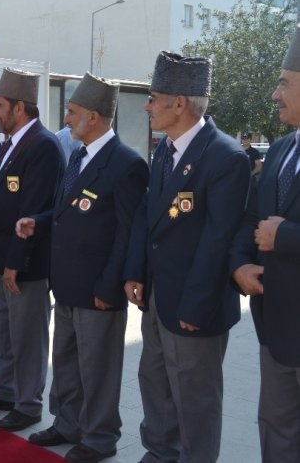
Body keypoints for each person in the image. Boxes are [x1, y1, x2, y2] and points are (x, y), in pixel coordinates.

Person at [123, 51, 251, 463]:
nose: (147, 105)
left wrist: (196, 307)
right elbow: (149, 214)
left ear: (179, 103)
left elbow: (218, 242)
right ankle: (159, 454)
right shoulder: (166, 149)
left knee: (195, 399)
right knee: (155, 384)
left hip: (196, 304)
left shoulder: (225, 156)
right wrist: (136, 271)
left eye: (153, 97)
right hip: (159, 297)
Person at [19, 73, 148, 462]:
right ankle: (68, 423)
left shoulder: (126, 164)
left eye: (72, 112)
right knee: (68, 362)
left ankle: (100, 437)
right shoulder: (77, 155)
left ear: (93, 116)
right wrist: (39, 221)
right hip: (68, 283)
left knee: (99, 371)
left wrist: (110, 285)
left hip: (98, 289)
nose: (67, 119)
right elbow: (67, 212)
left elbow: (128, 234)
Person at [0, 68, 65, 432]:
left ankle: (28, 404)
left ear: (20, 107)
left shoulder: (43, 146)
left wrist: (15, 264)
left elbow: (33, 209)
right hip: (4, 257)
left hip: (26, 264)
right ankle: (4, 390)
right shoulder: (10, 145)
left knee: (27, 337)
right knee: (4, 333)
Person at [230, 24, 300, 463]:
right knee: (276, 429)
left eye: (284, 83)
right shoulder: (279, 150)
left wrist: (286, 237)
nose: (275, 95)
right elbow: (251, 218)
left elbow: (274, 230)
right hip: (275, 326)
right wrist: (239, 264)